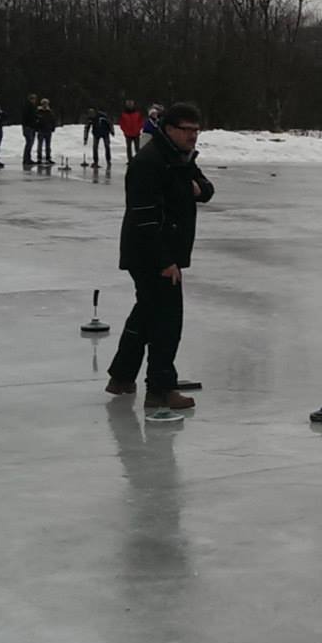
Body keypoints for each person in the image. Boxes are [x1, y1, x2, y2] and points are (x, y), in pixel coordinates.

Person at [108, 102, 213, 411]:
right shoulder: (149, 162)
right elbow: (145, 218)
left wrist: (197, 189)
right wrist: (165, 260)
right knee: (167, 320)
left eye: (197, 130)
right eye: (187, 130)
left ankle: (122, 376)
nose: (193, 136)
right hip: (150, 254)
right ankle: (160, 388)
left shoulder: (180, 158)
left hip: (164, 252)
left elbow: (206, 189)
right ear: (169, 130)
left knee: (147, 312)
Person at [35, 97, 58, 167]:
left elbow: (53, 120)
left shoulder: (50, 112)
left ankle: (48, 158)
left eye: (46, 103)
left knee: (48, 145)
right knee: (40, 145)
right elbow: (35, 120)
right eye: (44, 103)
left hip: (48, 130)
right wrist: (37, 128)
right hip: (41, 130)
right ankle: (39, 158)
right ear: (42, 104)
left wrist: (53, 127)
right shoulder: (38, 111)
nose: (45, 105)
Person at [20, 93, 39, 168]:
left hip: (32, 127)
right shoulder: (28, 107)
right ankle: (26, 159)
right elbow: (28, 117)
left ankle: (28, 158)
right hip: (28, 127)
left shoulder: (33, 107)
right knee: (29, 143)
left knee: (30, 143)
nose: (34, 100)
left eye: (34, 99)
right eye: (32, 99)